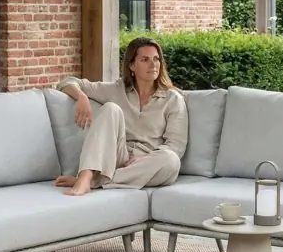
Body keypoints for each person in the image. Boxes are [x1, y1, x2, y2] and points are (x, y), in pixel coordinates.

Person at [54, 36, 188, 196]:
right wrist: (81, 97)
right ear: (132, 65)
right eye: (145, 60)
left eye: (156, 59)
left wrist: (145, 159)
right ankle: (86, 175)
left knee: (171, 160)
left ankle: (93, 181)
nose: (153, 65)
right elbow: (66, 83)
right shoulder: (117, 89)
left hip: (148, 164)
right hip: (118, 157)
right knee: (110, 109)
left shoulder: (173, 99)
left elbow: (176, 145)